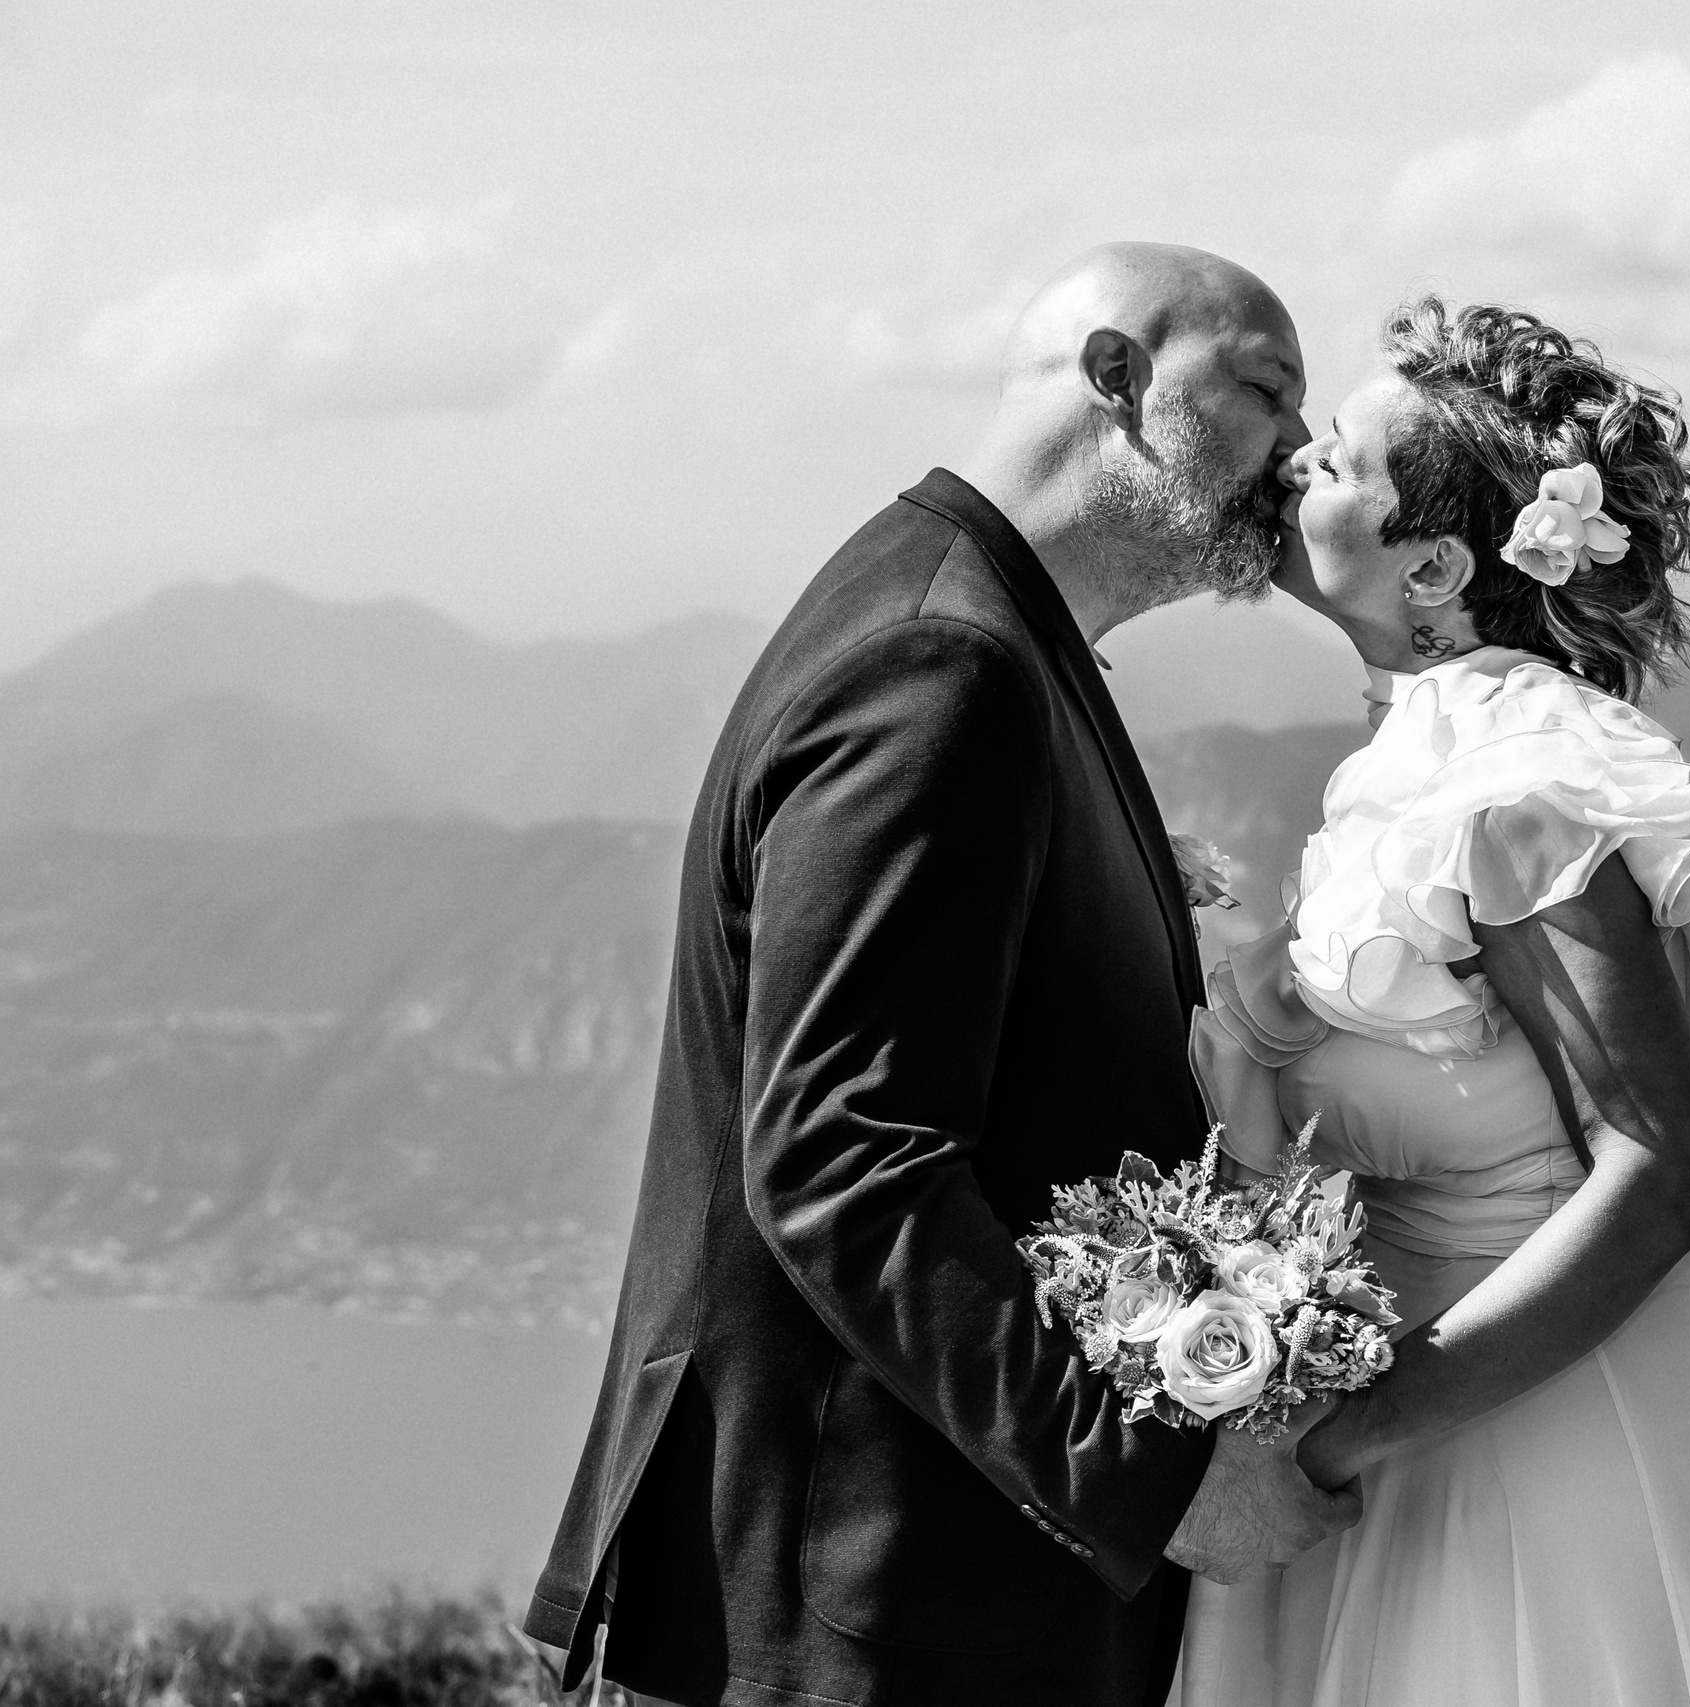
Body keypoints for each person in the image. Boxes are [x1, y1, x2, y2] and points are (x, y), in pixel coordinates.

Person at [521, 242, 1359, 1707]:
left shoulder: (1000, 638)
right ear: (1117, 380)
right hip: (868, 1610)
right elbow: (848, 1159)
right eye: (1266, 390)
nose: (1299, 449)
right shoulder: (939, 665)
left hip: (915, 1589)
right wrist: (1153, 1480)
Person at [1179, 297, 1690, 1706]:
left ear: (1431, 561)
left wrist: (1338, 1436)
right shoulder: (1430, 753)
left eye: (1341, 461)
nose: (1296, 459)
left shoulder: (1517, 785)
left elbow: (1660, 1174)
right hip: (1452, 1424)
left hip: (1563, 1450)